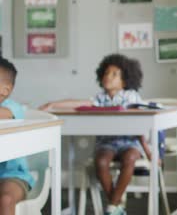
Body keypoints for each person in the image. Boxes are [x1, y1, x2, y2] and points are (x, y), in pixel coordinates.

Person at [40, 53, 161, 215]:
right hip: (107, 143)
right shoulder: (99, 98)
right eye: (106, 73)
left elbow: (140, 126)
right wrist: (53, 104)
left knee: (130, 158)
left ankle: (112, 205)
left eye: (114, 74)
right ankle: (116, 204)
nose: (108, 77)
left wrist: (148, 150)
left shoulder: (131, 96)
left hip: (129, 143)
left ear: (125, 80)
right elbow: (79, 103)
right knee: (101, 161)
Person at [0, 57, 35, 215]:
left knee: (5, 199)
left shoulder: (13, 108)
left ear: (5, 90)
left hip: (13, 175)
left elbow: (4, 114)